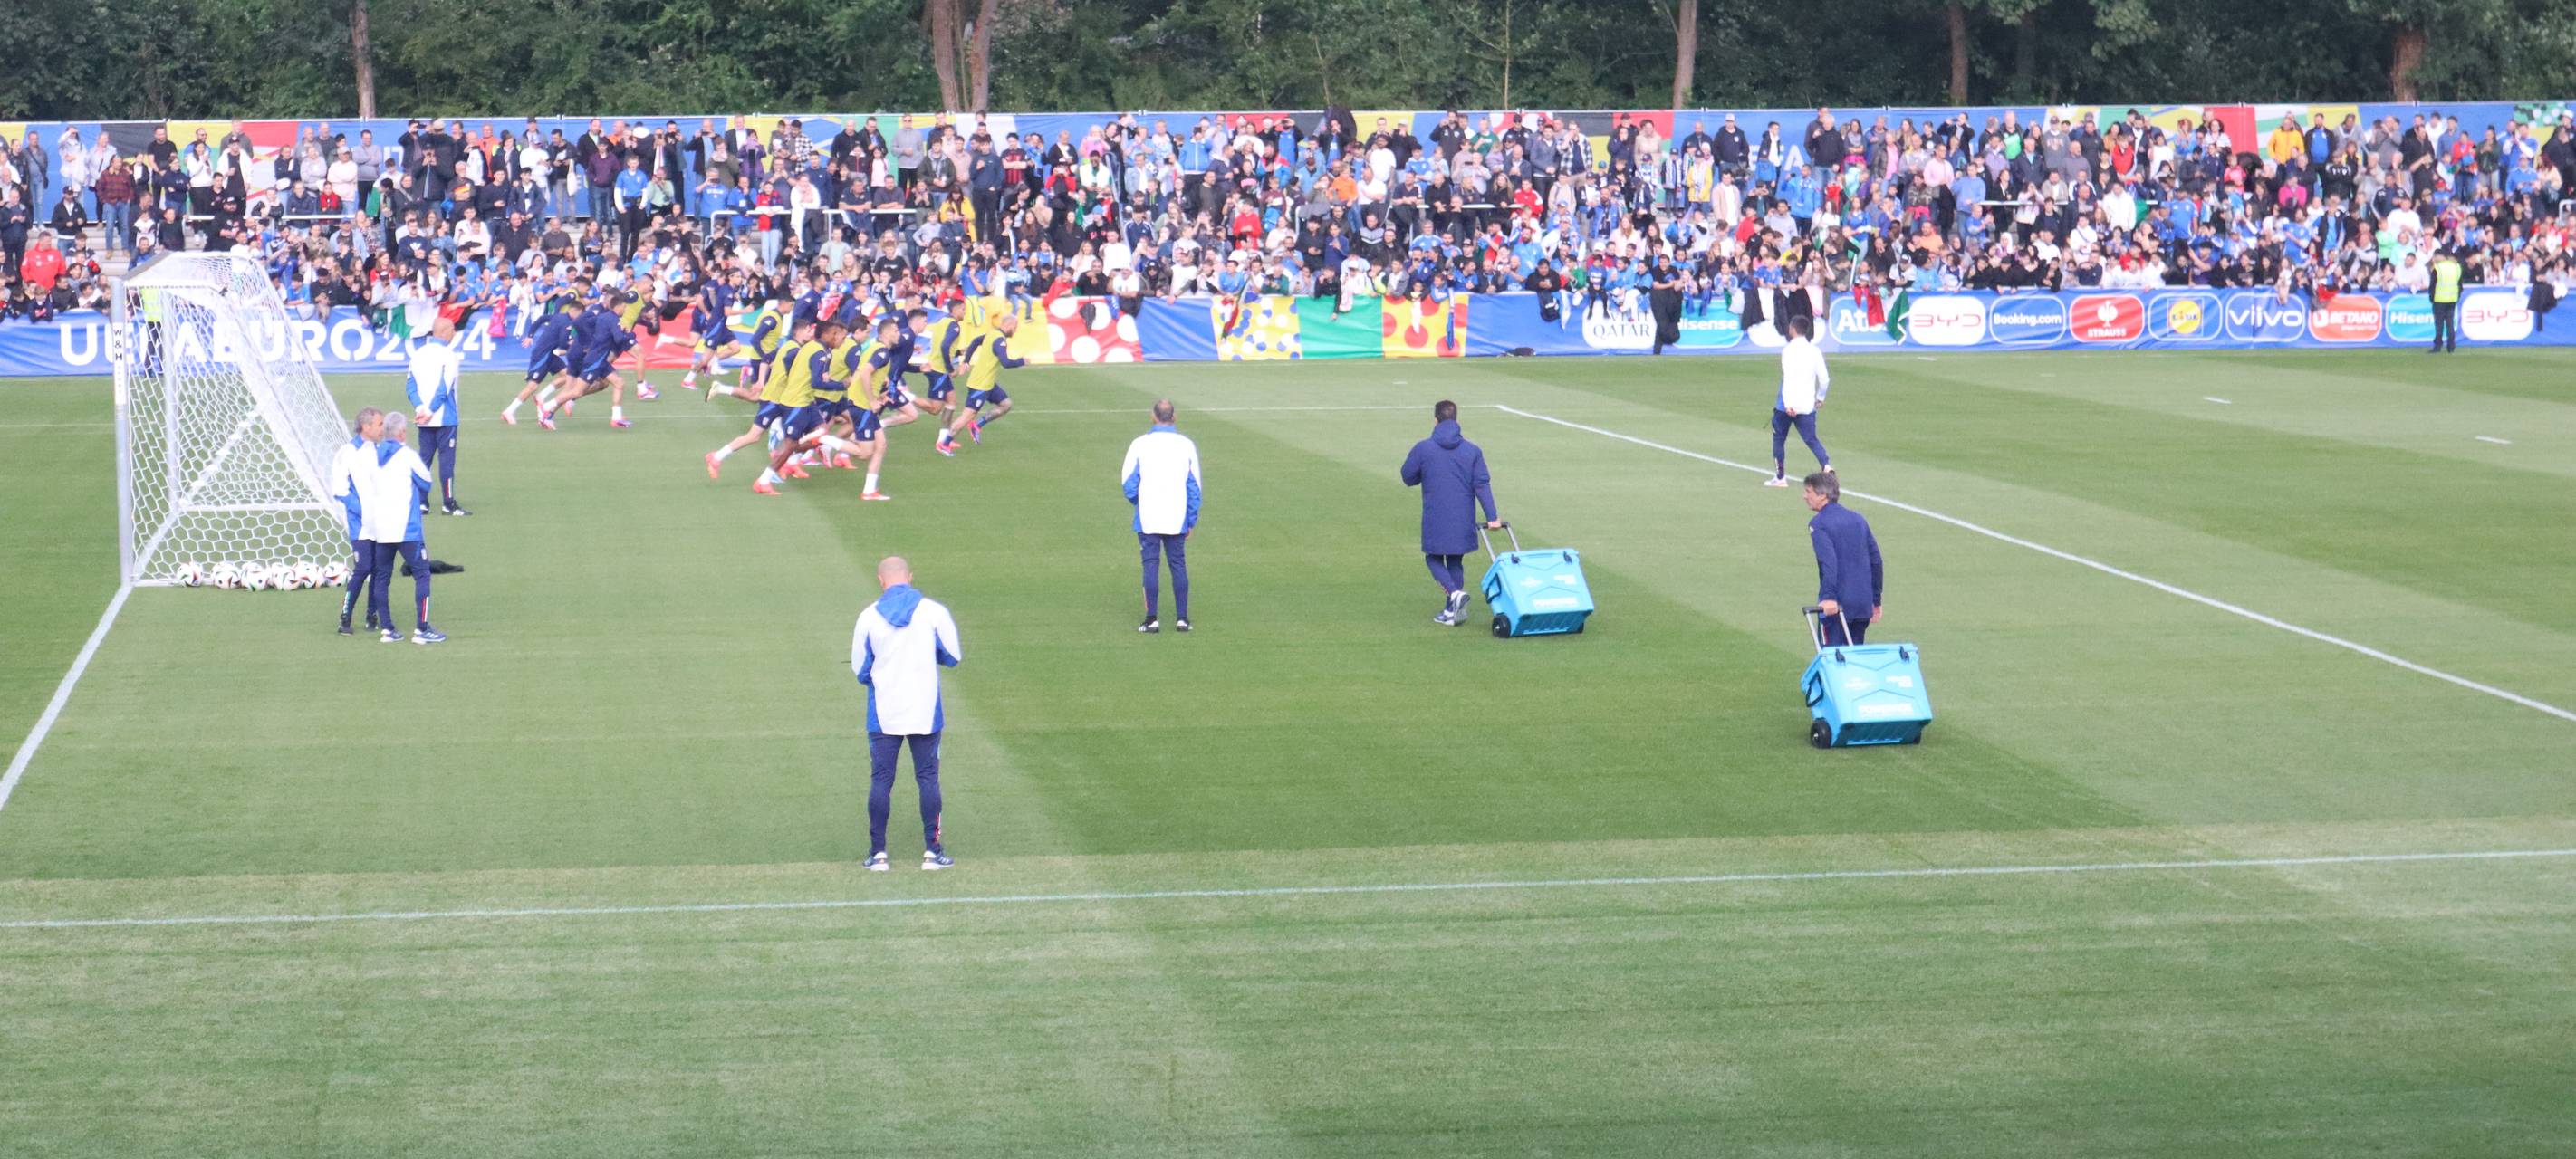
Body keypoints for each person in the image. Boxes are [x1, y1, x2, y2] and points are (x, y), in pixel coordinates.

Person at [851, 555, 963, 871]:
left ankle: (878, 853)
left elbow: (860, 670)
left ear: (881, 580)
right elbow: (953, 655)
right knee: (927, 777)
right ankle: (932, 851)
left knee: (881, 779)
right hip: (925, 710)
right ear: (910, 577)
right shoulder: (933, 612)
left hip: (884, 712)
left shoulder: (868, 617)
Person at [1399, 400, 1501, 627]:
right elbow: (1482, 484)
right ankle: (1451, 612)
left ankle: (1454, 595)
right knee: (1455, 559)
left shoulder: (1423, 448)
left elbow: (1407, 476)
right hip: (1463, 515)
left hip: (1436, 515)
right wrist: (1492, 516)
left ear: (1435, 420)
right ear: (1457, 420)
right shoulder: (1473, 450)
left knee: (1433, 558)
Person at [1120, 398, 1203, 633]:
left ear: (1153, 416)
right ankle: (1182, 619)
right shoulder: (1186, 445)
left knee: (1151, 564)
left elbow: (1128, 483)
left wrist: (1141, 501)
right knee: (1178, 564)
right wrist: (1191, 518)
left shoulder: (1139, 444)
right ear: (1174, 417)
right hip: (1177, 515)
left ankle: (1152, 619)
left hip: (1149, 516)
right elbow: (1194, 486)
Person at [363, 413, 444, 644]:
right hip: (406, 529)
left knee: (381, 577)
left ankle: (387, 629)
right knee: (422, 574)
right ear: (401, 433)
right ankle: (422, 629)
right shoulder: (407, 455)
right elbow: (426, 481)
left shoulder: (372, 456)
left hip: (381, 528)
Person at [1802, 472, 1880, 647]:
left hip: (1838, 605)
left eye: (1808, 492)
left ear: (1822, 495)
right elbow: (1876, 561)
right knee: (1855, 659)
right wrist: (1876, 600)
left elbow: (1828, 561)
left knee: (1833, 659)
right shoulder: (1858, 519)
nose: (1804, 497)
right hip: (1862, 603)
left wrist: (1829, 597)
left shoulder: (1819, 523)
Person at [406, 311, 469, 515]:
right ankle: (448, 503)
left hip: (423, 419)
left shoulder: (418, 354)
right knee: (446, 462)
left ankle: (422, 503)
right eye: (452, 329)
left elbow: (410, 386)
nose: (453, 334)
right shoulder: (449, 356)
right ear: (445, 331)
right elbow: (445, 387)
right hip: (445, 418)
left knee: (424, 460)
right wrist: (431, 410)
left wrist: (420, 409)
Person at [935, 312, 1024, 456]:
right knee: (967, 416)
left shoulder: (992, 334)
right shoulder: (999, 340)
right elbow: (1006, 363)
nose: (1016, 330)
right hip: (980, 386)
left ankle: (977, 425)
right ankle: (944, 444)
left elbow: (976, 341)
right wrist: (1022, 361)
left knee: (1006, 404)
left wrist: (966, 361)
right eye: (1015, 327)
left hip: (987, 383)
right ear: (1008, 326)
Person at [329, 407, 385, 635]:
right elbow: (340, 490)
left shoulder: (381, 450)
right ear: (366, 427)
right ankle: (345, 617)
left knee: (380, 569)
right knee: (363, 568)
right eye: (379, 424)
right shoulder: (348, 452)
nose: (383, 428)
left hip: (382, 523)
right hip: (361, 526)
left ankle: (372, 615)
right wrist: (363, 510)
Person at [1764, 315, 1832, 487]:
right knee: (1811, 439)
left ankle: (1780, 477)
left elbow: (1788, 379)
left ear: (1792, 329)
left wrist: (1788, 404)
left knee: (1779, 439)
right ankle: (1826, 465)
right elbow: (1824, 379)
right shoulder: (1815, 351)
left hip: (1786, 405)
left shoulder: (1788, 350)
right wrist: (1820, 398)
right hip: (1807, 404)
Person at [2429, 247, 2462, 354]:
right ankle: (2451, 346)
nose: (2434, 258)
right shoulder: (2456, 267)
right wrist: (2456, 297)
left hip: (2439, 300)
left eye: (2435, 256)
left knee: (2439, 325)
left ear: (2440, 256)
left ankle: (2438, 346)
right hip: (2452, 300)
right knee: (2450, 324)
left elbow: (2432, 285)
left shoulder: (2438, 268)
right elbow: (2459, 284)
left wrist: (2432, 298)